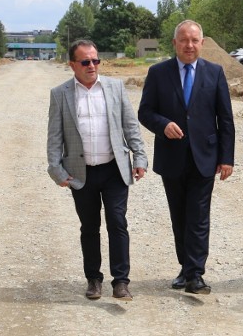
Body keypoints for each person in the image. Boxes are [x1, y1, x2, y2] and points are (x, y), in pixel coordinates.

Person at [138, 20, 234, 295]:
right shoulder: (158, 73)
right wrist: (163, 124)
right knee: (179, 216)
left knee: (199, 216)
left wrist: (227, 158)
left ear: (202, 43)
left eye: (194, 41)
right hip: (172, 158)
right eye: (184, 40)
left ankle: (195, 274)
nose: (189, 45)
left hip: (205, 156)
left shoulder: (214, 73)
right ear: (175, 43)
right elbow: (145, 112)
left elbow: (225, 118)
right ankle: (185, 268)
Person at [47, 39, 147, 301]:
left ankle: (121, 281)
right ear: (72, 65)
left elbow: (130, 126)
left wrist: (140, 158)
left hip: (114, 169)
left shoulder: (115, 87)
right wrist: (56, 171)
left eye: (95, 60)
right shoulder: (60, 94)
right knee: (89, 226)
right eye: (85, 61)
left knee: (117, 222)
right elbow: (54, 136)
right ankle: (93, 279)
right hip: (81, 173)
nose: (92, 65)